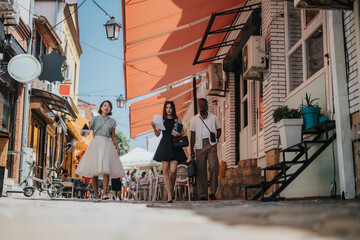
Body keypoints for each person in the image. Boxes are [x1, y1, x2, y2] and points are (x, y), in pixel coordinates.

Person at [75, 100, 124, 201]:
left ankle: (105, 193)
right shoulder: (94, 119)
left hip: (107, 144)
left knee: (106, 170)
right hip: (96, 143)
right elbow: (87, 131)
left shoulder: (112, 121)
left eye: (109, 106)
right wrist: (83, 133)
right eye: (105, 105)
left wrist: (117, 147)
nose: (106, 107)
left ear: (110, 109)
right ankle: (96, 194)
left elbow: (113, 136)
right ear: (101, 107)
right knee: (94, 170)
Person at [151, 101, 187, 203]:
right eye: (167, 108)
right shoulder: (162, 120)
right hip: (164, 145)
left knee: (173, 170)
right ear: (165, 109)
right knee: (165, 170)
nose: (168, 110)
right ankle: (169, 196)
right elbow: (158, 134)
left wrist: (178, 134)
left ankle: (170, 190)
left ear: (173, 108)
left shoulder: (177, 119)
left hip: (174, 145)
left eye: (170, 107)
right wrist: (154, 127)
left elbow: (183, 132)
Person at [190, 98, 221, 201]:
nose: (202, 105)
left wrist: (216, 140)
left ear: (207, 105)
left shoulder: (214, 118)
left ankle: (212, 192)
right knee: (201, 170)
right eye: (200, 104)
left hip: (211, 144)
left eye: (204, 104)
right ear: (198, 106)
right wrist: (191, 149)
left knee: (214, 166)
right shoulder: (194, 119)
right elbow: (192, 135)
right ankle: (202, 194)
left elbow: (219, 130)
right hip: (199, 145)